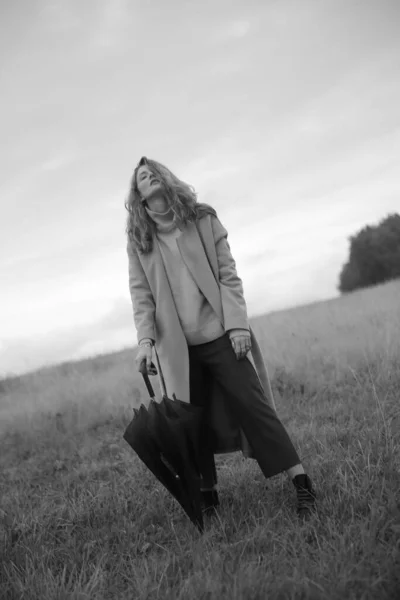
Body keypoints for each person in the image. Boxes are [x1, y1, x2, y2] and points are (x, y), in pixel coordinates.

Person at [125, 156, 317, 521]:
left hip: (222, 336)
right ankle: (207, 495)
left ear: (166, 178)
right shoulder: (140, 240)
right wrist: (145, 341)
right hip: (179, 350)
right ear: (138, 195)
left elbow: (229, 275)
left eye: (152, 171)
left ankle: (302, 481)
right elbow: (141, 296)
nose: (147, 175)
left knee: (254, 405)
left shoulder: (201, 218)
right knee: (191, 422)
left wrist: (239, 325)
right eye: (140, 178)